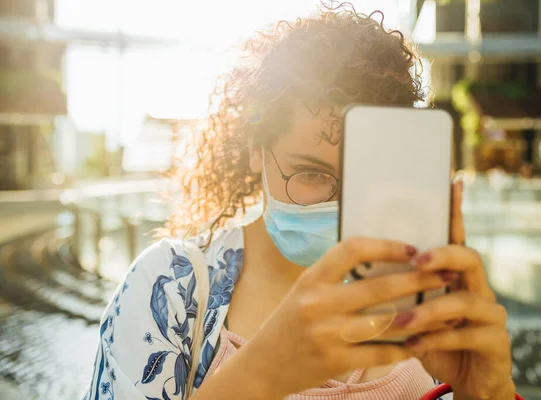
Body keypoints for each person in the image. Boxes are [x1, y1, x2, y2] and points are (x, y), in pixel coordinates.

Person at [84, 4, 515, 400]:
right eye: (310, 174)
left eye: (362, 180)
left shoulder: (427, 308)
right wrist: (264, 372)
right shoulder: (171, 289)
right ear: (256, 147)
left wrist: (486, 393)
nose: (339, 205)